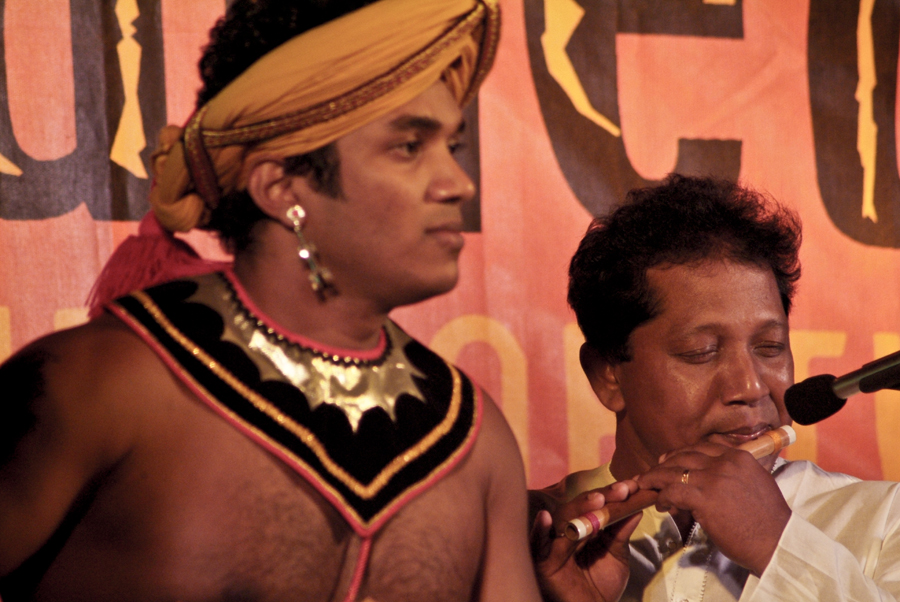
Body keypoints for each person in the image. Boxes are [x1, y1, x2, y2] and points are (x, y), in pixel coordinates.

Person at [0, 1, 548, 600]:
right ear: (281, 186)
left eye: (454, 147)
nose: (458, 184)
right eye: (410, 147)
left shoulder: (473, 437)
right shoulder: (99, 387)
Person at [530, 174, 900, 601]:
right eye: (701, 351)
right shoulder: (532, 529)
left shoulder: (884, 518)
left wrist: (779, 547)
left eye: (771, 347)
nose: (750, 386)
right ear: (607, 375)